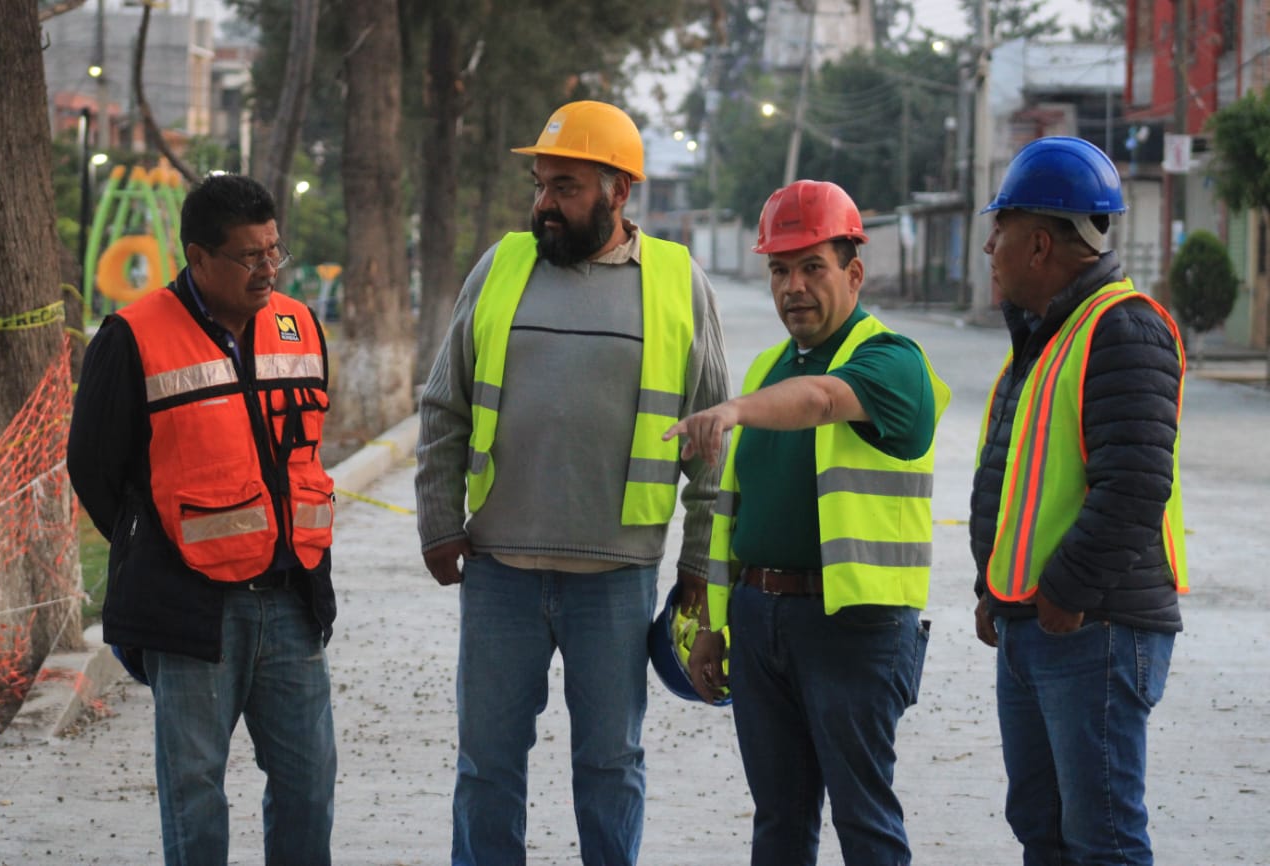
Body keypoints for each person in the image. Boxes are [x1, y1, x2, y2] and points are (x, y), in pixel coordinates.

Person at [414, 99, 729, 866]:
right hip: (499, 573)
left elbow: (714, 444)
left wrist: (698, 569)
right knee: (486, 766)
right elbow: (444, 402)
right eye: (541, 184)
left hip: (616, 579)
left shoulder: (677, 283)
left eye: (566, 187)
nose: (544, 204)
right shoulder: (501, 268)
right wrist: (437, 519)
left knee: (610, 765)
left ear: (619, 192)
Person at [664, 179, 949, 866]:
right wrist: (712, 625)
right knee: (779, 825)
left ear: (854, 273)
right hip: (762, 624)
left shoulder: (892, 360)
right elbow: (736, 514)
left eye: (812, 267)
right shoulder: (766, 370)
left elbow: (822, 400)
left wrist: (732, 410)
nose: (794, 285)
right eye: (780, 269)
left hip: (852, 629)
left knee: (865, 822)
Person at [67, 173, 337, 866]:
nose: (267, 269)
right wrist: (153, 548)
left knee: (309, 780)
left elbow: (303, 450)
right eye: (250, 256)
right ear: (198, 256)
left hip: (290, 598)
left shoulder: (298, 324)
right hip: (192, 608)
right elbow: (95, 467)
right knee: (194, 791)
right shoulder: (133, 336)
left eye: (273, 251)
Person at [970, 136, 1188, 866]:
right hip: (1035, 621)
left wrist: (1063, 590)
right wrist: (993, 587)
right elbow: (1020, 482)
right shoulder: (1043, 337)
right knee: (1044, 828)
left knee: (1103, 840)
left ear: (1038, 244)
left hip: (1091, 626)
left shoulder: (1122, 328)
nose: (988, 248)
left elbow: (1134, 486)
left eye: (997, 230)